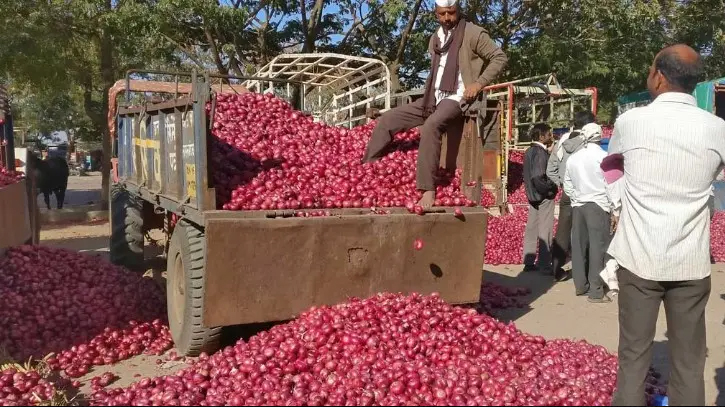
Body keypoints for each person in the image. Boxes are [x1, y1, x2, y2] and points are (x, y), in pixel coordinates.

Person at [609, 44, 725, 406]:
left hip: (639, 259)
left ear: (658, 77)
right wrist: (705, 201)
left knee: (633, 360)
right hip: (690, 263)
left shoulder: (631, 122)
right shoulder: (717, 128)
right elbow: (719, 183)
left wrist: (621, 202)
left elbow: (611, 168)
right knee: (690, 365)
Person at [361, 0, 507, 208]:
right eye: (442, 14)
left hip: (457, 97)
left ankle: (427, 189)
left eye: (451, 13)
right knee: (388, 119)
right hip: (433, 98)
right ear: (435, 14)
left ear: (458, 10)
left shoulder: (473, 33)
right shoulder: (435, 39)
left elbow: (499, 58)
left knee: (431, 126)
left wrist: (478, 83)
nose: (447, 18)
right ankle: (369, 165)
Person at [562, 123, 612, 303]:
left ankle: (580, 285)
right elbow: (611, 184)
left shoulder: (573, 158)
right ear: (600, 136)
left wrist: (576, 197)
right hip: (598, 205)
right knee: (598, 247)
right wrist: (614, 207)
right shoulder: (604, 157)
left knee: (579, 245)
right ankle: (596, 290)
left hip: (579, 206)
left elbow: (567, 184)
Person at [546, 110, 597, 281]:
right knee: (585, 232)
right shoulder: (589, 142)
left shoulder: (562, 141)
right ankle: (582, 273)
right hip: (586, 192)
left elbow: (550, 168)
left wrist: (562, 182)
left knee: (563, 230)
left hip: (568, 192)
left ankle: (556, 269)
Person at [522, 123, 558, 273]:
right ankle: (544, 264)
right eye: (549, 134)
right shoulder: (540, 153)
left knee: (531, 227)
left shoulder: (529, 151)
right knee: (545, 230)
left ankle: (529, 261)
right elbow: (538, 176)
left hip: (532, 195)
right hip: (542, 196)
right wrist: (550, 189)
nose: (551, 137)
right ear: (541, 136)